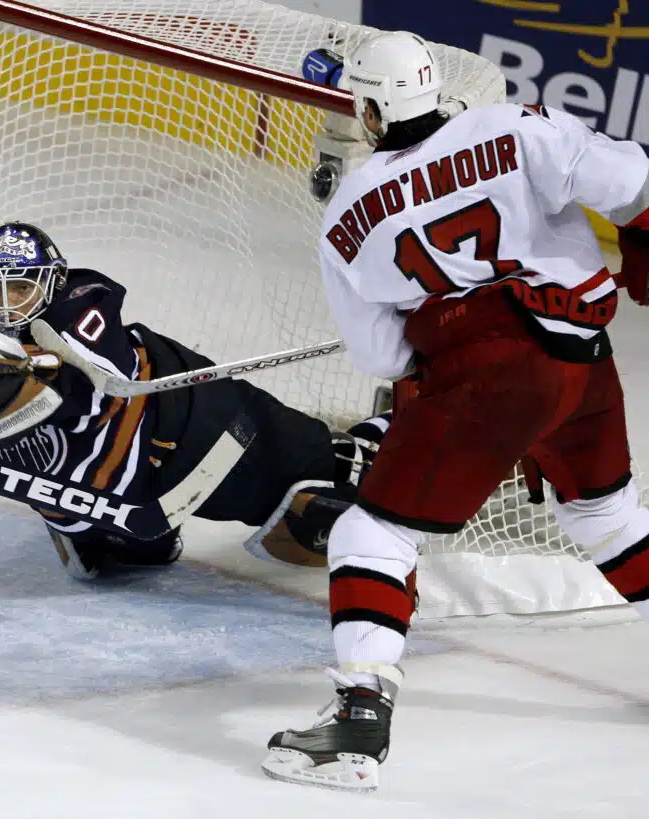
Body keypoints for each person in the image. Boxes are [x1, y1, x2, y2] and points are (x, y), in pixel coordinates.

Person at [262, 31, 649, 791]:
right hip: (583, 365)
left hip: (488, 379)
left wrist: (443, 363)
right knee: (605, 515)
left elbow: (382, 357)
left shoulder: (348, 213)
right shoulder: (515, 126)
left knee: (370, 529)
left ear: (371, 110)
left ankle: (359, 717)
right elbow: (634, 176)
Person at [0, 221, 390, 579]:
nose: (5, 304)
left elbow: (74, 391)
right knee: (115, 563)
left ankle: (390, 434)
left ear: (50, 283)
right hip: (101, 499)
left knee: (321, 483)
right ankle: (123, 539)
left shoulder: (81, 306)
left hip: (193, 425)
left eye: (21, 288)